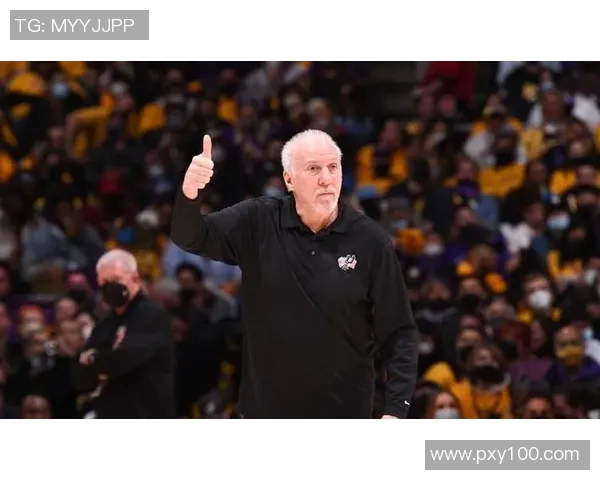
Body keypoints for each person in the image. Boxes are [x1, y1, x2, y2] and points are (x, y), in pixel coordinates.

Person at [170, 130, 418, 419]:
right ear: (289, 179)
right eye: (314, 169)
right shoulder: (258, 221)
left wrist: (395, 410)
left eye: (333, 167)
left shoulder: (370, 239)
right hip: (265, 417)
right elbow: (190, 237)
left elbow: (399, 330)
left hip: (343, 418)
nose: (326, 179)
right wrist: (190, 192)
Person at [72, 249, 176, 419]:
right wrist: (97, 363)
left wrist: (94, 360)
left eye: (116, 279)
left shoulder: (150, 314)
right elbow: (80, 376)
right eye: (105, 281)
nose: (110, 286)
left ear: (135, 278)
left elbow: (124, 359)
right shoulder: (106, 322)